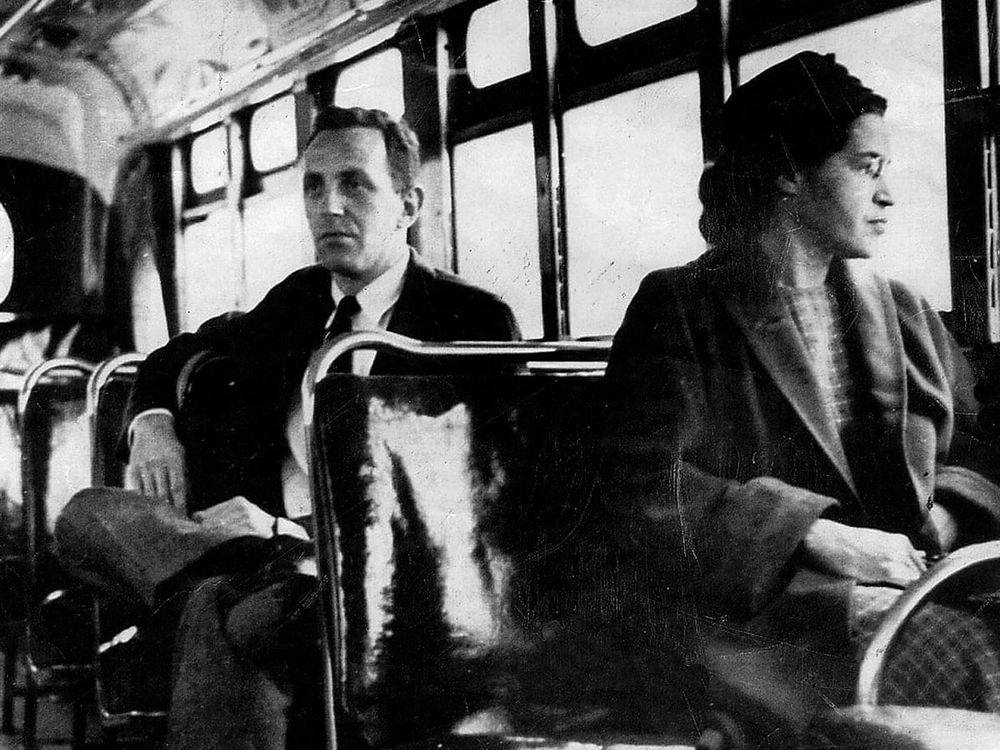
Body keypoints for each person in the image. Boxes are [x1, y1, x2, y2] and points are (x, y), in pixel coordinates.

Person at [54, 105, 520, 748]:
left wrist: (287, 533)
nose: (329, 206)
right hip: (272, 562)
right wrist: (154, 424)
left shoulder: (470, 321)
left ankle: (253, 567)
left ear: (408, 205)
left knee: (216, 608)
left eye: (354, 184)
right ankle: (260, 563)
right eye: (314, 186)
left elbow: (473, 508)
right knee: (86, 515)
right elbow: (173, 356)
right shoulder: (298, 302)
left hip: (382, 581)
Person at [602, 51, 1000, 735]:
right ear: (789, 172)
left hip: (911, 582)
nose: (887, 195)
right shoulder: (684, 305)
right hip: (760, 615)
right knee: (957, 655)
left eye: (887, 171)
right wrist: (818, 539)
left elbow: (975, 442)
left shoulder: (901, 308)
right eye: (864, 167)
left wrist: (951, 513)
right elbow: (640, 487)